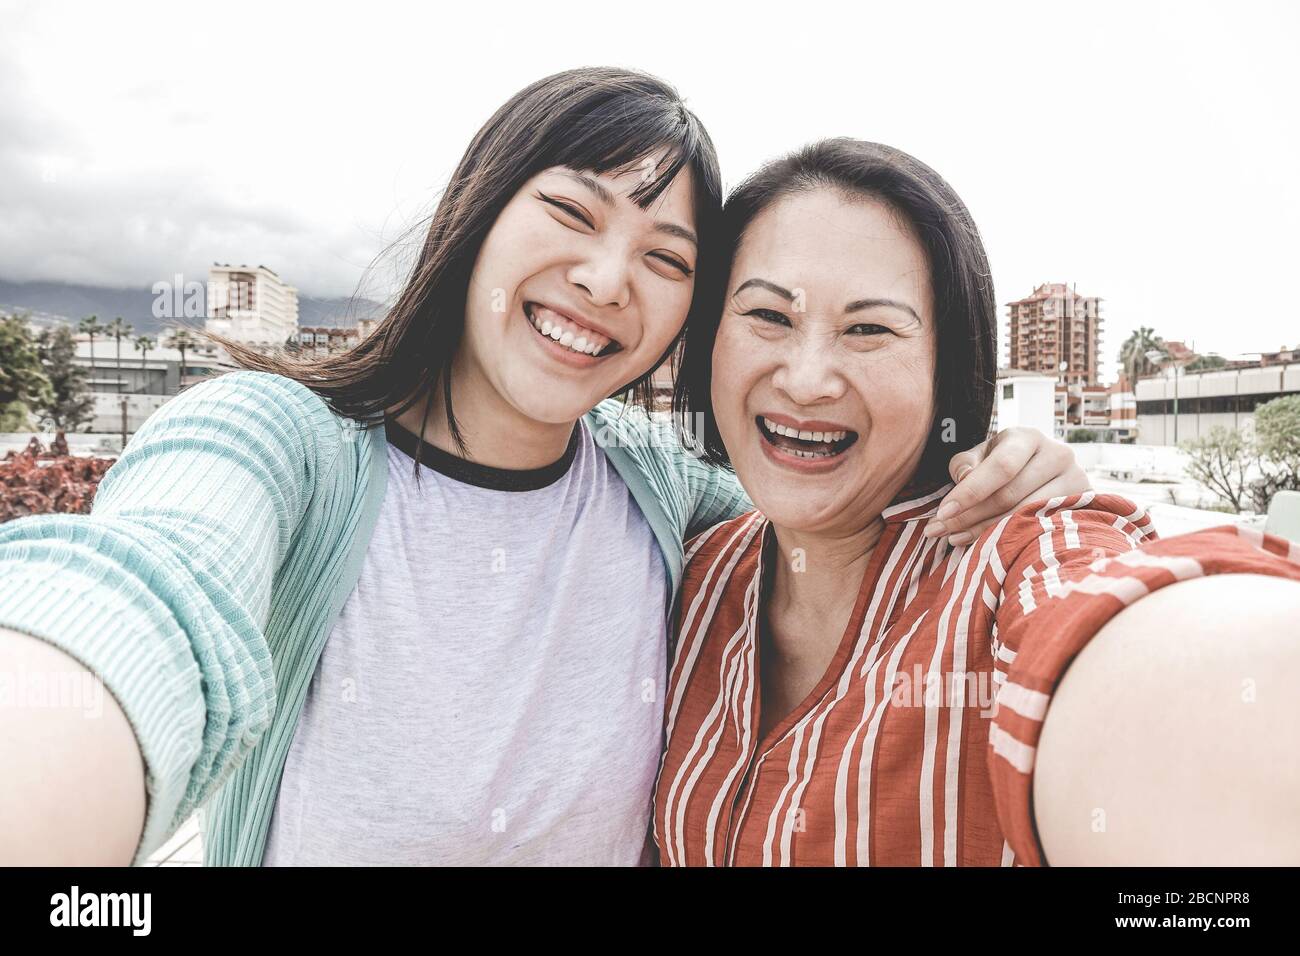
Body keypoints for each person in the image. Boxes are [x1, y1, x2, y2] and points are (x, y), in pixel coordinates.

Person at [0, 74, 1087, 867]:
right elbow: (145, 589)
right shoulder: (284, 447)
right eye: (570, 211)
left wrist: (1010, 466)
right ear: (478, 213)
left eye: (666, 258)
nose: (608, 278)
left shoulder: (670, 499)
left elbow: (845, 511)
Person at [655, 138, 1300, 866]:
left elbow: (1142, 648)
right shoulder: (686, 575)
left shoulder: (1008, 563)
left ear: (947, 371)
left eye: (869, 329)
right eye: (768, 316)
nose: (807, 380)